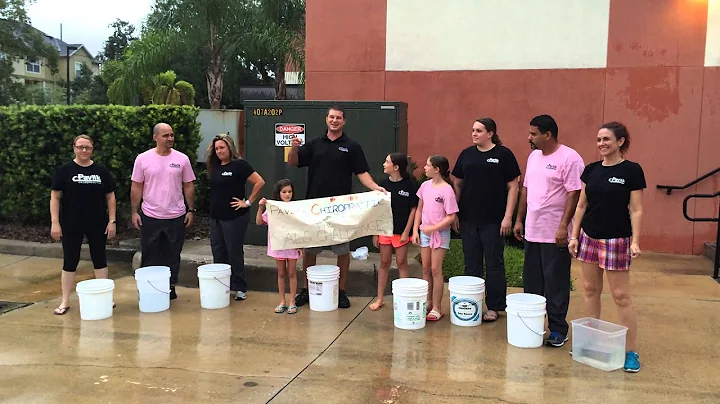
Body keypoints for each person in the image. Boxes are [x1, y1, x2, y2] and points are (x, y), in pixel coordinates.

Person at [287, 104, 386, 309]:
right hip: (315, 206)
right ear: (326, 119)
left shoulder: (352, 146)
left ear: (344, 121)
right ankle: (306, 289)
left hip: (341, 209)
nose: (334, 120)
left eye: (338, 118)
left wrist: (376, 187)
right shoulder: (314, 144)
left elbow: (362, 173)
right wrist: (294, 147)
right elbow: (292, 162)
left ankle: (341, 292)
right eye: (331, 117)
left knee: (342, 251)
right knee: (310, 251)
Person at [568, 121, 645, 373]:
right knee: (590, 289)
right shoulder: (591, 170)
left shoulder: (632, 171)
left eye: (606, 139)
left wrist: (635, 240)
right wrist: (575, 235)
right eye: (599, 139)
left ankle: (630, 352)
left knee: (621, 296)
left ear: (620, 142)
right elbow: (581, 206)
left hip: (616, 240)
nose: (601, 144)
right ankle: (589, 343)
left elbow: (636, 209)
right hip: (589, 237)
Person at [513, 115, 584, 347]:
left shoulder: (570, 158)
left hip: (555, 234)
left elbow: (574, 194)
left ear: (548, 134)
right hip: (533, 231)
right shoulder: (533, 156)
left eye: (533, 134)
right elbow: (525, 190)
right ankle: (533, 326)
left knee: (556, 282)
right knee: (533, 283)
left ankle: (557, 329)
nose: (529, 138)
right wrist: (519, 219)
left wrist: (564, 226)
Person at [451, 118, 521, 322]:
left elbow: (513, 187)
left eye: (478, 130)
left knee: (494, 264)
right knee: (471, 264)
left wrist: (508, 217)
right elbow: (457, 184)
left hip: (494, 221)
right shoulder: (467, 154)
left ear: (490, 133)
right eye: (472, 130)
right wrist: (454, 212)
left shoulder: (503, 154)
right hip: (468, 219)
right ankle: (471, 304)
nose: (474, 134)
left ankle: (494, 306)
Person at [50, 135, 117, 315]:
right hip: (71, 223)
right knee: (70, 261)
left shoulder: (101, 171)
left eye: (87, 147)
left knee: (100, 258)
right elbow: (55, 197)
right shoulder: (64, 171)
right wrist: (55, 223)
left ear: (92, 149)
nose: (84, 151)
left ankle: (105, 298)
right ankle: (65, 300)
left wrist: (112, 221)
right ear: (74, 148)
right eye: (80, 147)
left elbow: (110, 197)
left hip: (97, 223)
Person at [131, 123, 196, 300]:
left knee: (172, 254)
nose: (170, 139)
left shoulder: (182, 159)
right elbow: (137, 185)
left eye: (172, 135)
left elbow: (188, 185)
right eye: (166, 135)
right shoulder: (143, 159)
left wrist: (191, 210)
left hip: (176, 216)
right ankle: (149, 289)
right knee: (150, 254)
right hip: (150, 216)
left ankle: (170, 288)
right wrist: (134, 212)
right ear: (155, 137)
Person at [206, 133, 265, 301]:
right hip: (215, 217)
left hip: (234, 217)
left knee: (234, 252)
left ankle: (239, 287)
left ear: (230, 148)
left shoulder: (240, 165)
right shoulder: (215, 166)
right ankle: (222, 285)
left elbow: (259, 182)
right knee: (218, 252)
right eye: (216, 148)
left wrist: (247, 202)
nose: (219, 151)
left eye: (222, 147)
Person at [413, 155, 459, 322]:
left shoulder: (447, 190)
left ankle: (437, 308)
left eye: (427, 165)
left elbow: (451, 216)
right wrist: (415, 231)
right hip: (424, 233)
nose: (424, 168)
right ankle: (428, 302)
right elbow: (419, 209)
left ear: (437, 169)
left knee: (435, 269)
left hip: (440, 234)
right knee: (425, 268)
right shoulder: (425, 186)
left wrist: (433, 228)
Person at [370, 153, 418, 311]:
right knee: (384, 262)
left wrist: (407, 231)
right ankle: (380, 298)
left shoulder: (409, 185)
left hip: (401, 232)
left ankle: (403, 299)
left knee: (401, 263)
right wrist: (376, 232)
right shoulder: (383, 185)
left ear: (396, 167)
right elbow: (377, 210)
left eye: (387, 162)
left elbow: (413, 209)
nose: (384, 164)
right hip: (385, 230)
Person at [256, 179, 302, 314]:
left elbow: (301, 228)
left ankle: (292, 301)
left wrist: (300, 244)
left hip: (292, 246)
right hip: (278, 246)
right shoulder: (273, 209)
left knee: (292, 273)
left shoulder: (296, 208)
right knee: (281, 273)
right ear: (279, 193)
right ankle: (282, 301)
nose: (287, 194)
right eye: (284, 192)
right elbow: (259, 222)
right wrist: (260, 207)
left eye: (290, 191)